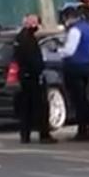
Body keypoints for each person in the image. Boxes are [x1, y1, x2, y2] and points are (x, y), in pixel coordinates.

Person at [13, 14, 57, 144]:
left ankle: (25, 135)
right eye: (36, 23)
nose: (37, 26)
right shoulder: (28, 39)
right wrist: (40, 69)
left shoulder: (20, 37)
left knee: (26, 108)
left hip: (24, 76)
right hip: (32, 77)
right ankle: (44, 135)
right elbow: (33, 60)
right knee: (41, 106)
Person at [58, 6, 89, 141]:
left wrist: (58, 51)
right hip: (86, 65)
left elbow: (69, 50)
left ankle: (82, 131)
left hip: (74, 67)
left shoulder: (75, 30)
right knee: (84, 99)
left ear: (68, 17)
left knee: (78, 100)